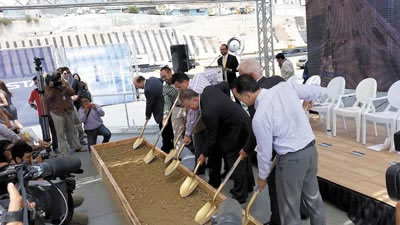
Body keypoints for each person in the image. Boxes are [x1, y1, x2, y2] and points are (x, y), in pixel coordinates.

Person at [233, 75, 326, 225]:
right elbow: (312, 91)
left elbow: (265, 152)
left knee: (289, 209)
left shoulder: (260, 116)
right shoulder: (283, 87)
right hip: (310, 151)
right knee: (314, 200)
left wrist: (262, 177)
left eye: (240, 99)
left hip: (292, 161)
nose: (241, 102)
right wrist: (327, 93)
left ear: (248, 95)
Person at [180, 87, 254, 204]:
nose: (190, 110)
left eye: (189, 106)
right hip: (243, 121)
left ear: (194, 99)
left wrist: (204, 154)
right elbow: (223, 85)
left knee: (235, 160)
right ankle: (248, 186)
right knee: (243, 159)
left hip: (236, 130)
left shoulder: (208, 112)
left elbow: (212, 137)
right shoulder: (208, 91)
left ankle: (240, 195)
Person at [234, 59, 284, 225]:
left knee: (275, 185)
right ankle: (302, 211)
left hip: (276, 145)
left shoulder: (254, 97)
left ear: (251, 76)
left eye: (242, 77)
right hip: (295, 141)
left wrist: (247, 149)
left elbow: (259, 130)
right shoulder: (277, 80)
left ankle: (277, 220)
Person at [171, 71, 229, 175]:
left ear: (185, 82)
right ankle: (208, 164)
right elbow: (215, 74)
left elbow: (192, 116)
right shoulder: (198, 76)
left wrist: (188, 134)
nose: (179, 90)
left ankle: (202, 168)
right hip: (210, 111)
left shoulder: (193, 92)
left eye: (179, 87)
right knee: (210, 143)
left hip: (208, 115)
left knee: (203, 142)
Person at [45, 71, 84, 156]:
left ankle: (77, 146)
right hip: (56, 112)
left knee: (72, 129)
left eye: (59, 78)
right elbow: (48, 99)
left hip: (68, 109)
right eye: (56, 78)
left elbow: (72, 92)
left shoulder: (64, 83)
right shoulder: (48, 86)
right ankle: (64, 152)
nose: (58, 80)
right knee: (60, 133)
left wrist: (65, 86)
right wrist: (53, 88)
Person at [133, 75, 173, 153]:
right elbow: (161, 82)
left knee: (164, 131)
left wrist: (147, 115)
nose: (137, 88)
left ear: (140, 82)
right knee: (169, 129)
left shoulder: (147, 89)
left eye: (136, 86)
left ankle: (166, 149)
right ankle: (170, 146)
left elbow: (149, 104)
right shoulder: (152, 79)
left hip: (162, 111)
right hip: (168, 107)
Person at [29, 76, 58, 153]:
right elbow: (30, 101)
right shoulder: (34, 92)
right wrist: (36, 107)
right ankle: (48, 149)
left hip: (51, 113)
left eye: (37, 82)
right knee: (45, 133)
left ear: (41, 81)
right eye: (35, 83)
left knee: (54, 131)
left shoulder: (48, 89)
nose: (36, 84)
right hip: (42, 115)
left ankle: (56, 147)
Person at [159, 66, 184, 139]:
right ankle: (177, 147)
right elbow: (167, 103)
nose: (164, 79)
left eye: (164, 76)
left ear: (170, 73)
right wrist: (165, 116)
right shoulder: (165, 88)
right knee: (176, 132)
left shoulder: (181, 78)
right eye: (162, 78)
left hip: (188, 107)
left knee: (191, 130)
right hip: (177, 108)